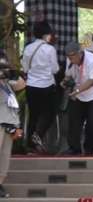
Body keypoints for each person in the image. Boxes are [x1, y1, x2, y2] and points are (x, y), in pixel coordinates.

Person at [62, 42, 93, 155]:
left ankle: (92, 148)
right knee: (74, 119)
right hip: (80, 92)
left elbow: (92, 81)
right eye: (69, 57)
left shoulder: (91, 60)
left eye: (73, 56)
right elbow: (69, 75)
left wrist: (76, 91)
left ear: (80, 53)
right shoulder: (70, 60)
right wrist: (64, 82)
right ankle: (74, 148)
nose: (71, 59)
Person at [21, 21, 59, 153]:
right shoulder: (50, 49)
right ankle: (37, 135)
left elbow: (25, 68)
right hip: (47, 86)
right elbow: (55, 69)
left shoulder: (27, 48)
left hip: (31, 86)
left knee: (33, 115)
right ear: (46, 35)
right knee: (49, 113)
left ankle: (30, 147)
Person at [0, 50, 24, 197]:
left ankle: (0, 184)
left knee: (5, 154)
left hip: (10, 121)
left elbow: (21, 85)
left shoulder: (7, 82)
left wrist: (12, 74)